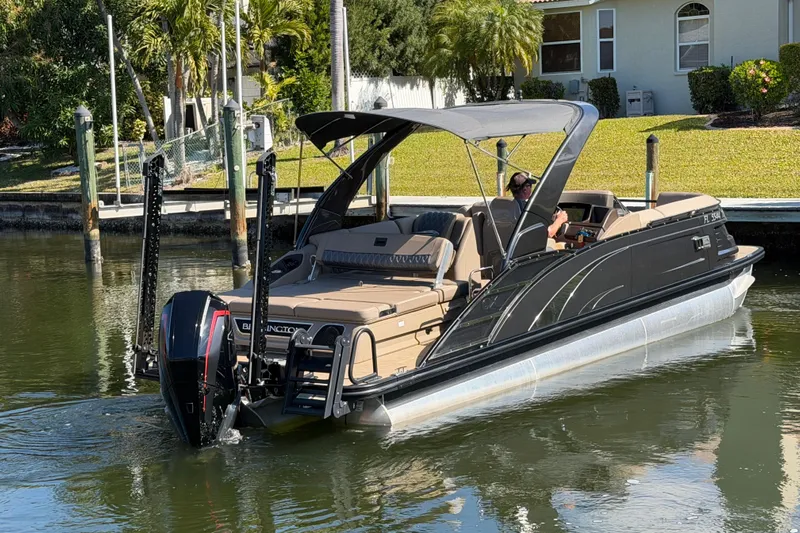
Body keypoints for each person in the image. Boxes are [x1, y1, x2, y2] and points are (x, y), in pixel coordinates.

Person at [506, 172, 568, 238]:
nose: (531, 189)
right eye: (530, 185)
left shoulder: (509, 206)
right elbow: (548, 233)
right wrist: (560, 220)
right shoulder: (528, 210)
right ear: (525, 189)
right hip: (528, 245)